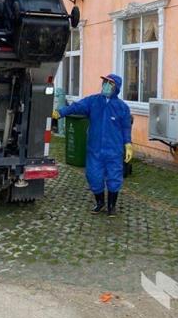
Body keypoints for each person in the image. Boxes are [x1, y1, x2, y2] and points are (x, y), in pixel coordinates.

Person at [52, 74, 132, 217]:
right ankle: (100, 203)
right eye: (105, 82)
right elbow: (77, 106)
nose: (106, 85)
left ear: (116, 88)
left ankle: (111, 207)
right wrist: (60, 112)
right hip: (95, 149)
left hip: (114, 150)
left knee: (114, 177)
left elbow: (126, 127)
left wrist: (128, 144)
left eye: (110, 84)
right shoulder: (93, 101)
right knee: (93, 175)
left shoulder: (122, 108)